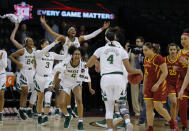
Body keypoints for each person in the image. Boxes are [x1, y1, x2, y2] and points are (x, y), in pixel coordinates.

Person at [86, 27, 143, 131]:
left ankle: (110, 129)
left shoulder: (100, 49)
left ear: (106, 39)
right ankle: (127, 122)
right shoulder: (122, 50)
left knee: (109, 107)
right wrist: (138, 71)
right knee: (122, 102)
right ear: (116, 39)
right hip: (119, 78)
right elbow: (129, 69)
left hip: (106, 78)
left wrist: (96, 61)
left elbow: (88, 64)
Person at [54, 46, 94, 130]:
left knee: (79, 99)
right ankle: (67, 116)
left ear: (81, 55)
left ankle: (80, 122)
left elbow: (88, 76)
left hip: (76, 82)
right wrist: (54, 84)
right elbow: (57, 73)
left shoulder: (83, 65)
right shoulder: (66, 63)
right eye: (75, 54)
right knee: (61, 104)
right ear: (72, 55)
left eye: (79, 54)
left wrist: (90, 88)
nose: (77, 56)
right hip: (65, 83)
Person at [143, 42, 177, 131]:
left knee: (158, 107)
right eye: (143, 50)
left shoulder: (158, 58)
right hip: (148, 86)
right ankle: (150, 127)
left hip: (159, 85)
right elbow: (146, 74)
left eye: (146, 50)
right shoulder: (145, 59)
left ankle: (172, 122)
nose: (144, 52)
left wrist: (157, 84)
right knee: (148, 107)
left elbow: (165, 72)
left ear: (152, 50)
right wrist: (144, 86)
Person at [33, 36, 65, 125]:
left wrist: (67, 47)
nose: (48, 45)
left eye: (48, 43)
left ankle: (45, 116)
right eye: (46, 43)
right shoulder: (38, 52)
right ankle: (39, 115)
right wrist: (53, 43)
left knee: (48, 97)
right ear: (41, 45)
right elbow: (45, 50)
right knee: (40, 99)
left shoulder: (52, 54)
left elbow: (64, 57)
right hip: (39, 78)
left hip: (49, 78)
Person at [9, 23, 37, 119]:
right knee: (24, 91)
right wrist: (18, 63)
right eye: (29, 41)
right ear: (26, 43)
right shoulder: (22, 50)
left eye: (32, 41)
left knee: (31, 92)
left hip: (32, 73)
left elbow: (36, 60)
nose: (31, 42)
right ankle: (22, 110)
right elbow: (11, 56)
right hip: (24, 72)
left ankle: (24, 110)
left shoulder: (35, 50)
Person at [177, 29, 189, 131]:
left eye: (185, 39)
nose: (183, 41)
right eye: (181, 39)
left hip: (187, 79)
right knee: (182, 103)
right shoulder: (179, 52)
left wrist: (187, 63)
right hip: (181, 81)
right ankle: (184, 126)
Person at [164, 43, 179, 125]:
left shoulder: (181, 60)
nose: (172, 51)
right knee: (174, 102)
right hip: (169, 84)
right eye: (171, 49)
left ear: (177, 50)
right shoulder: (164, 60)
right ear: (168, 50)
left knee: (177, 104)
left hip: (179, 84)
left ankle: (173, 120)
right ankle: (172, 121)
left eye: (174, 49)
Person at [0, 49, 7, 122]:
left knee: (1, 94)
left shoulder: (3, 52)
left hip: (1, 75)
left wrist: (1, 59)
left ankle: (0, 113)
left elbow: (5, 66)